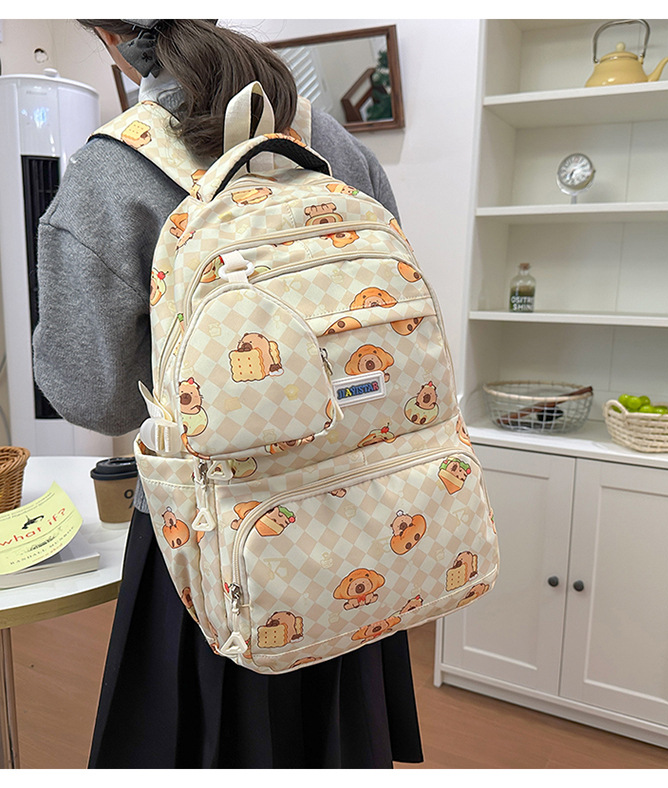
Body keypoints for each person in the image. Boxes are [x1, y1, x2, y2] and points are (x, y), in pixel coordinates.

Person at [32, 19, 424, 769]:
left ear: (107, 36)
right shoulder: (337, 147)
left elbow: (98, 399)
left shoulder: (115, 168)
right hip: (359, 519)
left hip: (213, 544)